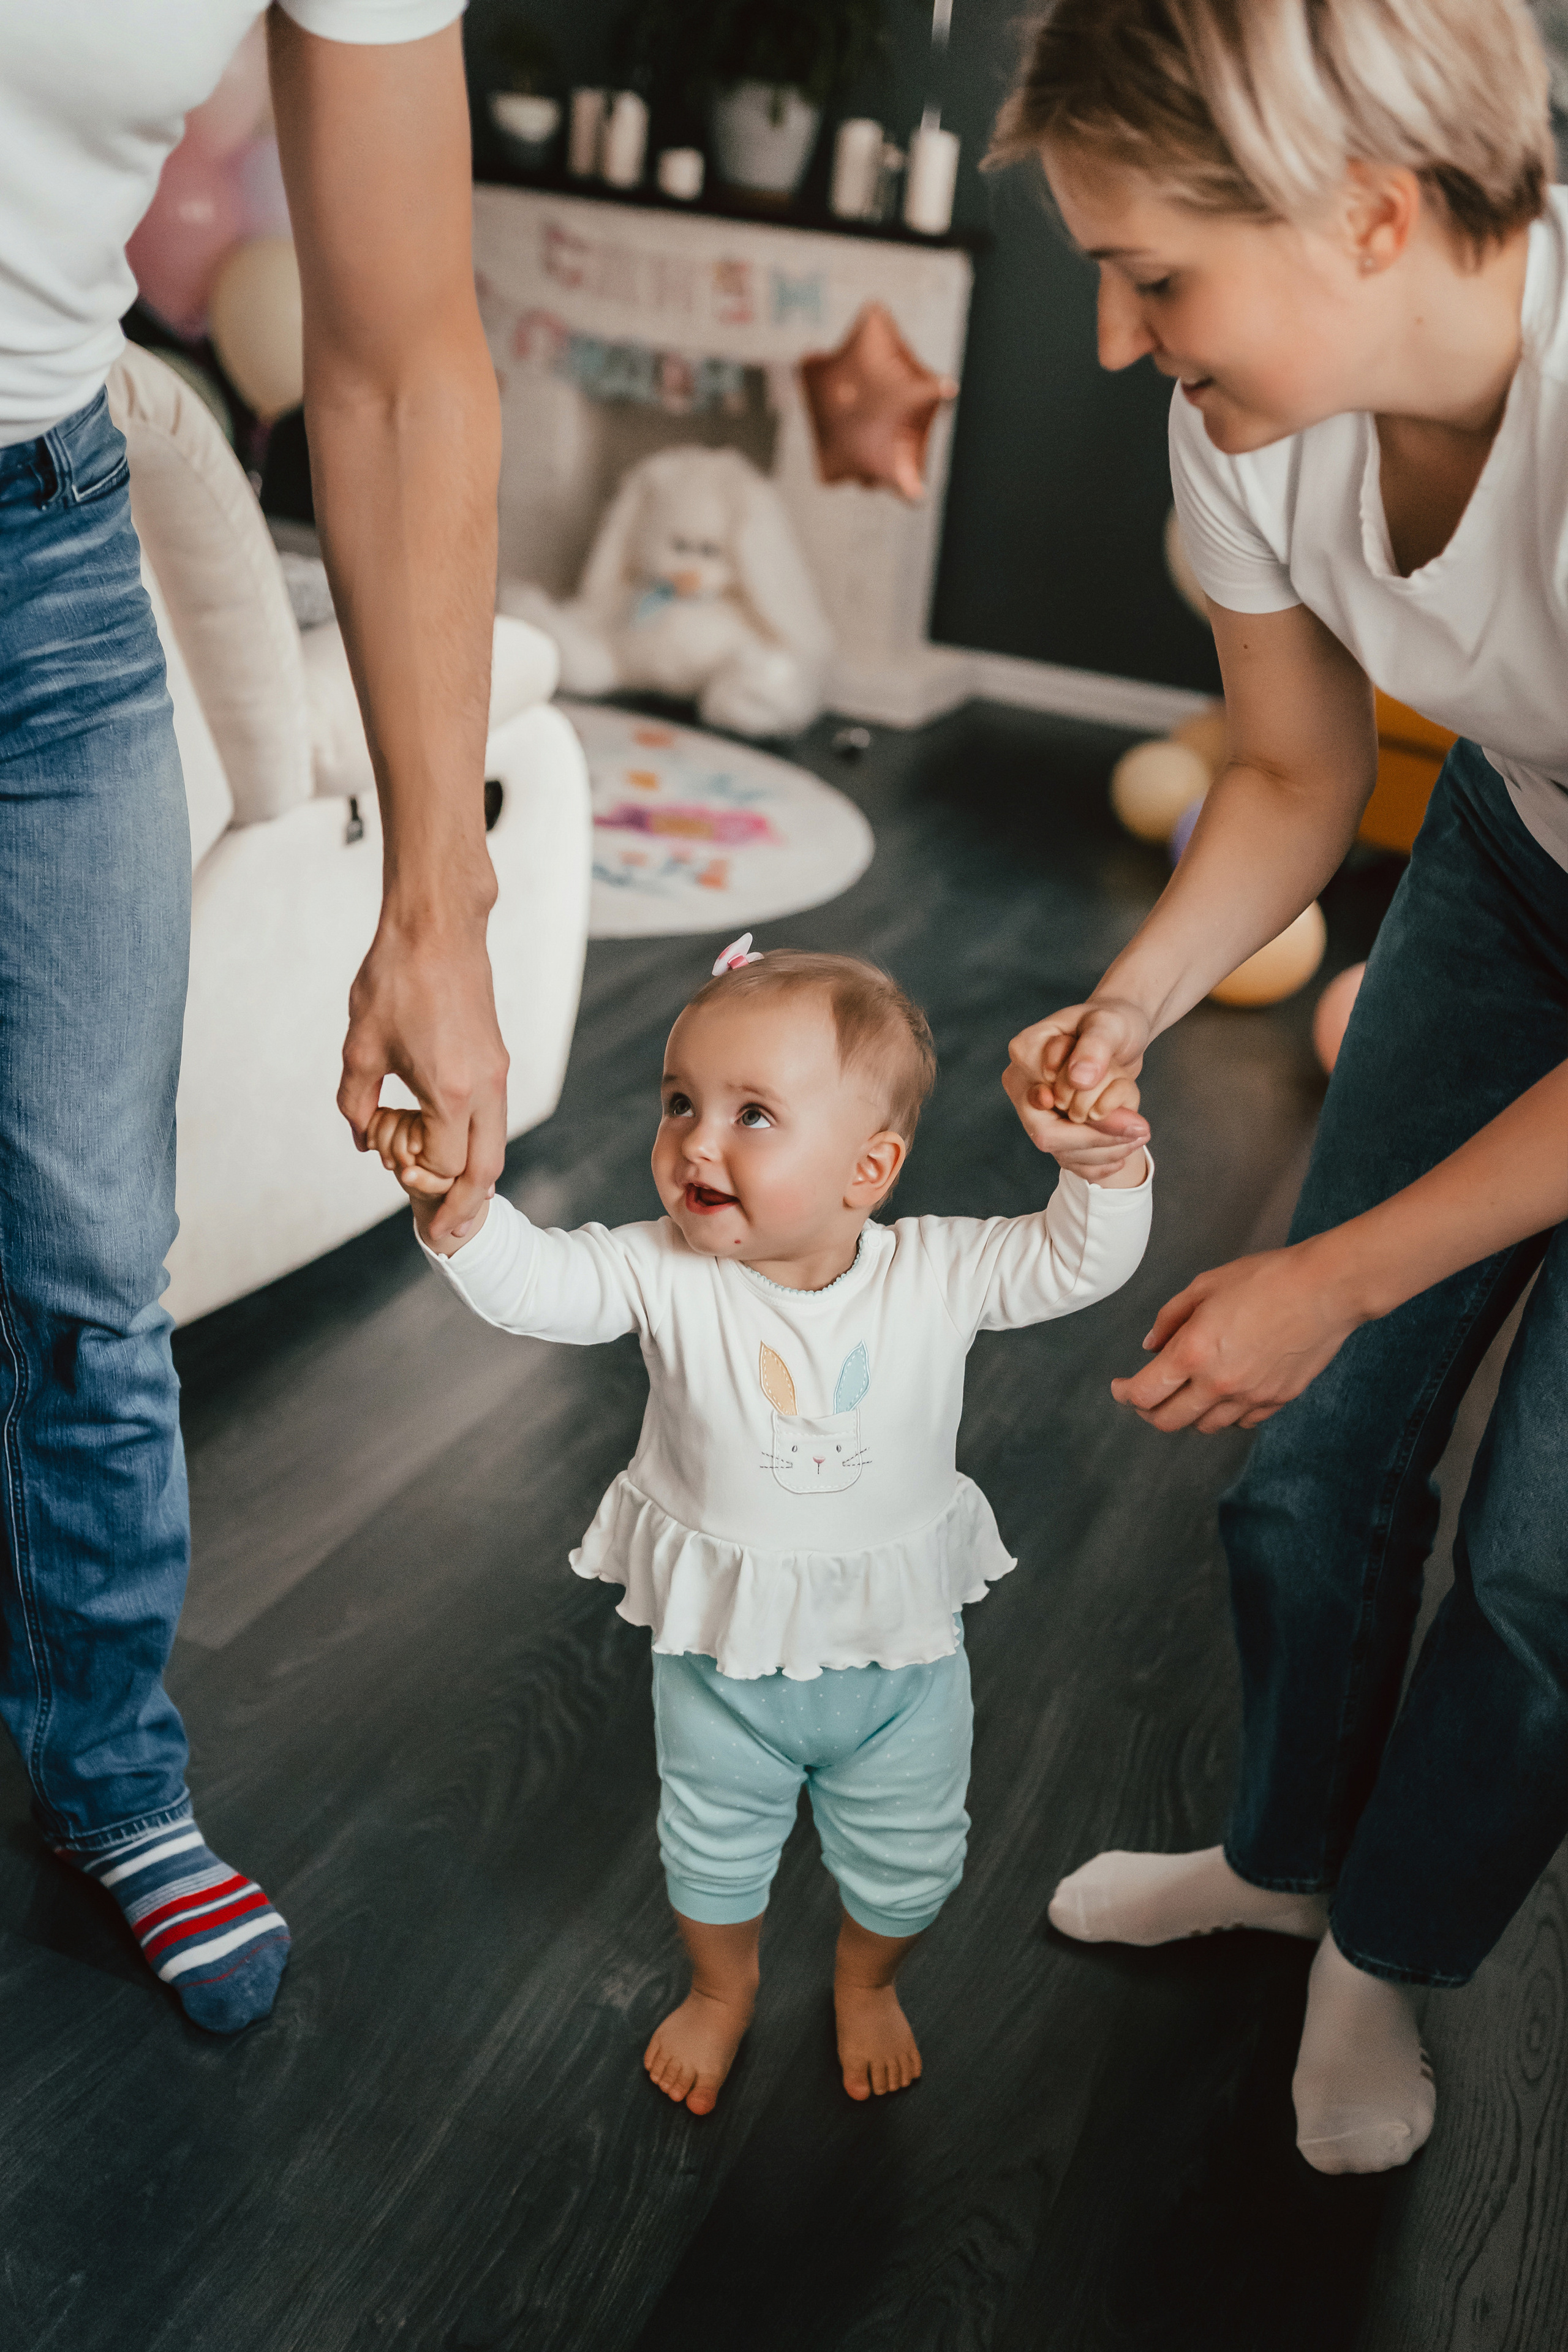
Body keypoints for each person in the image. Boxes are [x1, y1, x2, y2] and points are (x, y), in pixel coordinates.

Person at [990, 0, 1568, 2175]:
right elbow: (1304, 769)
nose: (1127, 341)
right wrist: (1136, 1000)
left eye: (1155, 275)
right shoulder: (1254, 406)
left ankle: (1386, 1955)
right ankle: (1282, 1860)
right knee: (1314, 1459)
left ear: (1375, 212)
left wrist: (1333, 1264)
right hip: (1525, 862)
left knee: (1548, 1577)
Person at [1, 4, 507, 2029]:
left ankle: (108, 1772)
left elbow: (395, 364)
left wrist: (437, 906)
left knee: (90, 1246)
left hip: (39, 560)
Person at [370, 940, 1153, 2111]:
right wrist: (461, 1212)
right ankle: (722, 1990)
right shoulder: (660, 1270)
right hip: (721, 1661)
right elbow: (541, 1285)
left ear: (869, 1167)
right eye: (681, 1101)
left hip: (899, 1667)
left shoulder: (936, 1272)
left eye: (753, 1115)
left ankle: (867, 1980)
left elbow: (1075, 1263)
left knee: (911, 1867)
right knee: (711, 1853)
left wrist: (1102, 1170)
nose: (697, 1139)